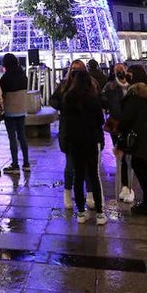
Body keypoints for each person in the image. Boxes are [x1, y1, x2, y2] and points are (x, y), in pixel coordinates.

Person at [61, 68, 107, 225]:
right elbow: (101, 121)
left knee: (78, 176)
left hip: (75, 142)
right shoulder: (93, 99)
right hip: (90, 141)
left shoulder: (68, 98)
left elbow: (65, 122)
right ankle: (100, 213)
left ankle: (80, 212)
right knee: (93, 175)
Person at [117, 65, 147, 216]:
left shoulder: (136, 94)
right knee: (141, 167)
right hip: (146, 133)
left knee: (140, 167)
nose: (127, 77)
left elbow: (128, 117)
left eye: (129, 74)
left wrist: (119, 129)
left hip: (138, 135)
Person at [51, 60, 94, 210]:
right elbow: (53, 100)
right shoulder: (64, 85)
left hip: (86, 130)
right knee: (70, 166)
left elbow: (97, 102)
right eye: (73, 69)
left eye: (78, 69)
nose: (75, 72)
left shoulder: (90, 84)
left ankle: (89, 194)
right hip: (68, 130)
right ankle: (67, 192)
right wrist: (65, 105)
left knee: (88, 166)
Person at [101, 62, 133, 204]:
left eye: (122, 69)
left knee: (130, 156)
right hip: (116, 125)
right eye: (117, 70)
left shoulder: (133, 85)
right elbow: (103, 101)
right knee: (121, 154)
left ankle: (128, 186)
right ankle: (124, 186)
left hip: (131, 124)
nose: (120, 72)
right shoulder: (110, 86)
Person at [0, 53, 30, 173]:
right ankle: (26, 163)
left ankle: (15, 164)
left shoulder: (5, 78)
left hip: (10, 111)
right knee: (22, 137)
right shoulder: (23, 76)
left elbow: (1, 94)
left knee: (12, 138)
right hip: (21, 110)